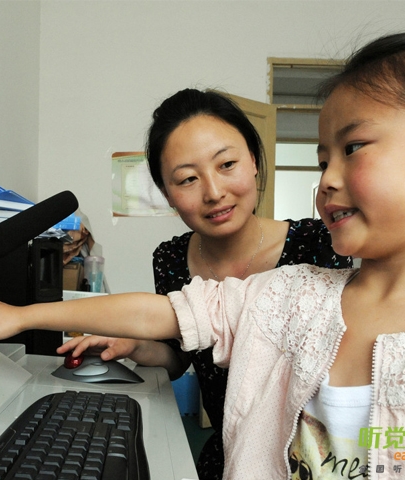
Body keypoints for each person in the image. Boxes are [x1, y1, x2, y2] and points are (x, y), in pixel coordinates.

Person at [0, 28, 405, 479]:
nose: (327, 180)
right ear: (167, 192)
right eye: (323, 160)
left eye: (354, 147)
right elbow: (166, 318)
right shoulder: (290, 293)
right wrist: (23, 316)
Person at [58, 88, 352, 479]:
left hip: (321, 463)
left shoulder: (317, 245)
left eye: (227, 164)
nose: (214, 193)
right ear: (166, 194)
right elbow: (179, 356)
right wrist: (135, 345)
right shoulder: (170, 258)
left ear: (254, 160)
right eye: (187, 179)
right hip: (228, 457)